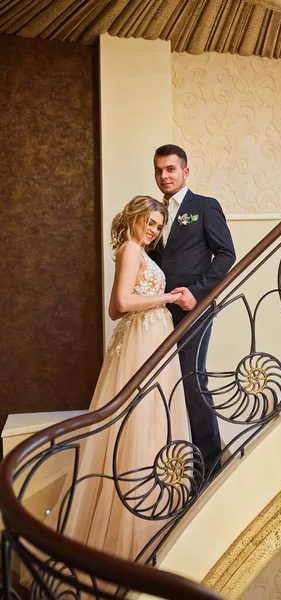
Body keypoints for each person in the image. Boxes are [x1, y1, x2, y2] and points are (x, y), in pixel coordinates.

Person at [25, 196, 191, 571]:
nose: (153, 230)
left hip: (152, 337)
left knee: (154, 418)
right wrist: (167, 297)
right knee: (139, 419)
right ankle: (127, 531)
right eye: (149, 222)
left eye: (158, 225)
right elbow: (118, 305)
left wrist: (163, 300)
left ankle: (154, 516)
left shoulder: (139, 251)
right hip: (141, 340)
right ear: (135, 218)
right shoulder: (130, 249)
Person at [150, 144, 236, 477]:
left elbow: (226, 254)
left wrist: (197, 294)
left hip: (193, 308)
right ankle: (178, 458)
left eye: (170, 169)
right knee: (164, 383)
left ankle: (211, 464)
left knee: (190, 380)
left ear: (185, 172)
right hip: (158, 311)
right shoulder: (154, 211)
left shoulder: (204, 207)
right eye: (158, 170)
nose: (164, 176)